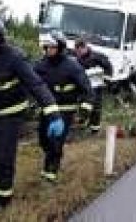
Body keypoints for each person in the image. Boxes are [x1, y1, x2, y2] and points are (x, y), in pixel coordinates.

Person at [0, 14, 64, 211]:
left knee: (4, 156)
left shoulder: (15, 58)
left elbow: (36, 85)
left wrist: (54, 114)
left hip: (11, 116)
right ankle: (1, 178)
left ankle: (3, 199)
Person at [34, 32, 94, 183]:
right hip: (47, 110)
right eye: (47, 47)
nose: (49, 50)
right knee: (43, 140)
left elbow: (87, 89)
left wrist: (85, 110)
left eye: (52, 47)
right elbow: (32, 83)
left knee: (56, 141)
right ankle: (54, 156)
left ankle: (50, 174)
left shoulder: (72, 66)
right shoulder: (42, 65)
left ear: (60, 48)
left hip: (65, 111)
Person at [74, 38, 113, 134]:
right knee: (84, 104)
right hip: (84, 86)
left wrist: (106, 81)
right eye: (77, 51)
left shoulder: (97, 57)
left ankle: (94, 129)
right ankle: (83, 122)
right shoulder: (78, 59)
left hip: (97, 86)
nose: (78, 53)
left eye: (79, 51)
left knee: (95, 107)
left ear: (85, 47)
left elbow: (108, 67)